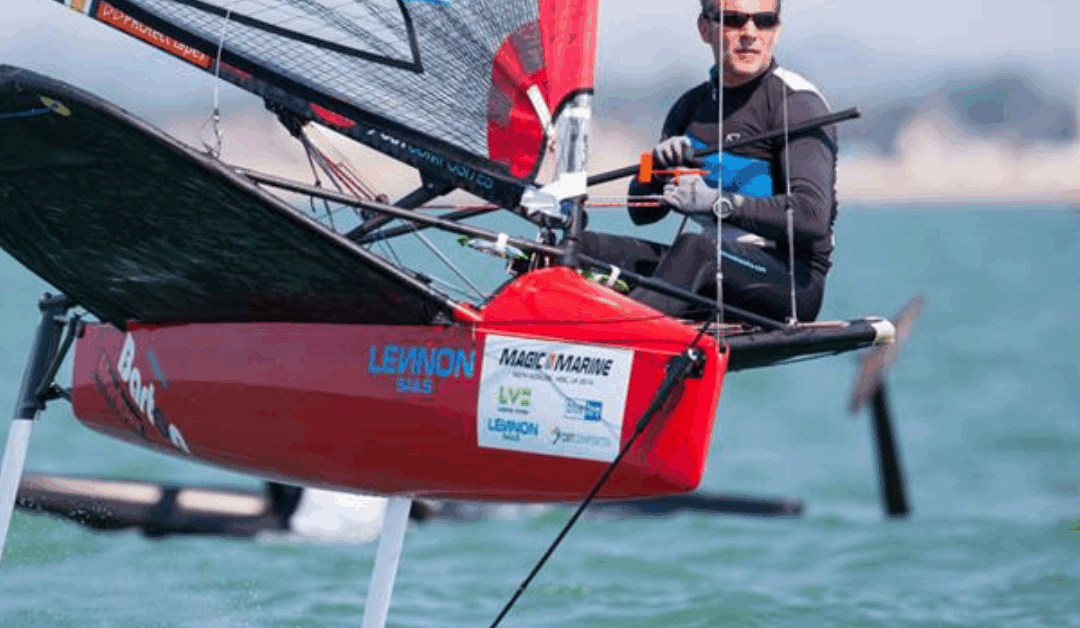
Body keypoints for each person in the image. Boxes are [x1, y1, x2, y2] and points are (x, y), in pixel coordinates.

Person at [581, 0, 838, 324]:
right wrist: (654, 168)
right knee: (581, 247)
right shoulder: (689, 107)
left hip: (791, 281)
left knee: (696, 249)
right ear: (705, 28)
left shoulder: (797, 103)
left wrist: (716, 202)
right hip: (706, 269)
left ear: (777, 30)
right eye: (734, 20)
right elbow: (641, 214)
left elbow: (811, 216)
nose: (750, 33)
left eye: (764, 21)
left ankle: (620, 336)